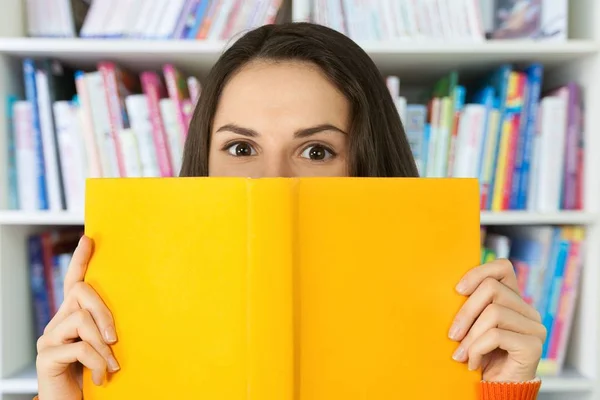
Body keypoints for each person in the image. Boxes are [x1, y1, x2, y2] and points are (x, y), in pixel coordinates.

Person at [35, 23, 545, 399]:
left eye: (317, 151)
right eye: (240, 148)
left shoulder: (449, 321)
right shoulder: (134, 321)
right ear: (203, 161)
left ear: (365, 163)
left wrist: (503, 391)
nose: (272, 179)